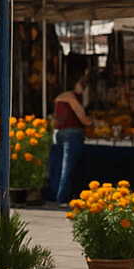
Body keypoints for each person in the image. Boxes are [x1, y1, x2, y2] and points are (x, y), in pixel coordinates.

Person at [44, 71, 92, 206]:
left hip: (59, 133)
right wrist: (91, 122)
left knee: (58, 166)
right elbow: (82, 117)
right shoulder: (71, 97)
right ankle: (62, 197)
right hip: (71, 134)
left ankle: (54, 195)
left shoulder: (59, 98)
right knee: (67, 167)